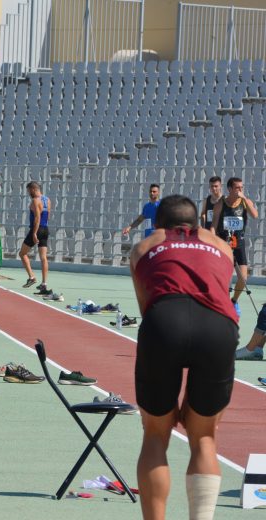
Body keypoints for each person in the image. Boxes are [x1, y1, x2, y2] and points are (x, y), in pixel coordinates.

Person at [129, 194, 238, 520]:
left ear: (158, 224)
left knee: (155, 434)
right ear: (198, 223)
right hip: (217, 326)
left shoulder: (145, 246)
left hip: (165, 321)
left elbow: (146, 306)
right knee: (204, 435)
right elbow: (219, 287)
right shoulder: (220, 245)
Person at [212, 177, 258, 314]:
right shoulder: (221, 203)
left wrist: (245, 199)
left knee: (243, 278)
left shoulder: (245, 202)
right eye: (237, 187)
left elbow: (255, 215)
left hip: (238, 243)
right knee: (222, 277)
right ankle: (222, 303)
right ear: (230, 189)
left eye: (241, 187)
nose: (240, 190)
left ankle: (234, 301)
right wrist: (213, 241)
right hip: (223, 244)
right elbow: (213, 225)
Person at [18, 181, 50, 292]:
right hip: (45, 229)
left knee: (22, 253)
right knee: (43, 257)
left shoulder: (35, 200)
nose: (28, 193)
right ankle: (44, 283)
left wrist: (34, 233)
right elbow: (47, 216)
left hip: (37, 229)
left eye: (29, 191)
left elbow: (37, 218)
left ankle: (31, 277)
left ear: (33, 189)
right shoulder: (47, 200)